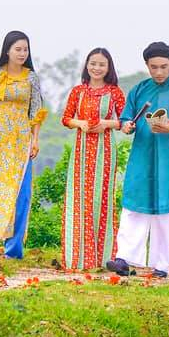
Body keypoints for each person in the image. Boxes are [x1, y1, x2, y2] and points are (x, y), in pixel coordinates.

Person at [108, 41, 169, 278]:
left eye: (163, 67)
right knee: (133, 204)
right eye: (154, 67)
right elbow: (127, 117)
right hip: (142, 156)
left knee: (167, 212)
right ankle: (124, 259)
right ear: (147, 65)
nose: (158, 72)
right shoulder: (138, 90)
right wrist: (127, 125)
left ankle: (161, 266)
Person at [0, 30, 48, 259]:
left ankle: (13, 250)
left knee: (20, 194)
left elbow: (36, 111)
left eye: (25, 49)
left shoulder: (31, 78)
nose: (22, 53)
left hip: (20, 141)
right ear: (7, 50)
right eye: (18, 49)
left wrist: (35, 139)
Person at [60, 47, 125, 273]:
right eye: (93, 63)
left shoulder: (114, 92)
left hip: (105, 151)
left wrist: (106, 124)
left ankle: (104, 257)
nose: (96, 68)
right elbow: (66, 118)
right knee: (80, 199)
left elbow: (125, 122)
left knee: (101, 199)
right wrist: (80, 124)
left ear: (109, 68)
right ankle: (77, 257)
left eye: (101, 64)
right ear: (87, 65)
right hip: (81, 151)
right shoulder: (77, 91)